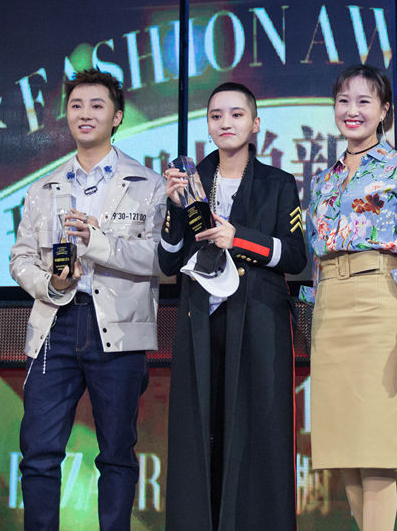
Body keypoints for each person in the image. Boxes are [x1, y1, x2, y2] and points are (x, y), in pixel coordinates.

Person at [9, 68, 165, 530]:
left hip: (117, 327)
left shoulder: (149, 185)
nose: (85, 114)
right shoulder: (44, 188)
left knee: (116, 453)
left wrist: (97, 243)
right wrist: (53, 285)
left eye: (97, 105)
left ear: (116, 117)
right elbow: (20, 258)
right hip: (56, 325)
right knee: (39, 452)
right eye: (76, 105)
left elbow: (161, 260)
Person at [159, 82, 307, 530]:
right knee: (198, 432)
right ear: (208, 125)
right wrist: (173, 208)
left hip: (258, 320)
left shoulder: (278, 183)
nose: (226, 123)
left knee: (260, 433)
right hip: (200, 323)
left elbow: (295, 257)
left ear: (255, 123)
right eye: (216, 115)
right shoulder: (189, 180)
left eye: (237, 114)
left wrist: (238, 238)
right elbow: (167, 261)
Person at [301, 64, 397, 530]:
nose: (352, 110)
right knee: (345, 450)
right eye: (343, 101)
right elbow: (315, 257)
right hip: (330, 308)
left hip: (380, 302)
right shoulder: (322, 181)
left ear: (384, 110)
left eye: (364, 101)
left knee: (377, 449)